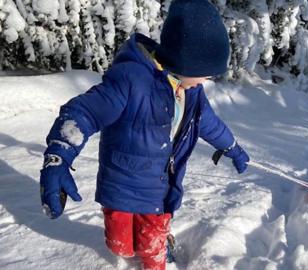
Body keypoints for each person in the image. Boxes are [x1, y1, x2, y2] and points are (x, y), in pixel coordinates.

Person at [39, 0, 250, 269]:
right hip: (120, 184)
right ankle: (140, 244)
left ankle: (162, 248)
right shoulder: (131, 79)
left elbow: (208, 124)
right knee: (119, 245)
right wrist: (58, 155)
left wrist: (232, 147)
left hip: (159, 190)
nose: (207, 80)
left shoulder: (193, 93)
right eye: (205, 73)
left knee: (152, 253)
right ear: (185, 59)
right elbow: (84, 112)